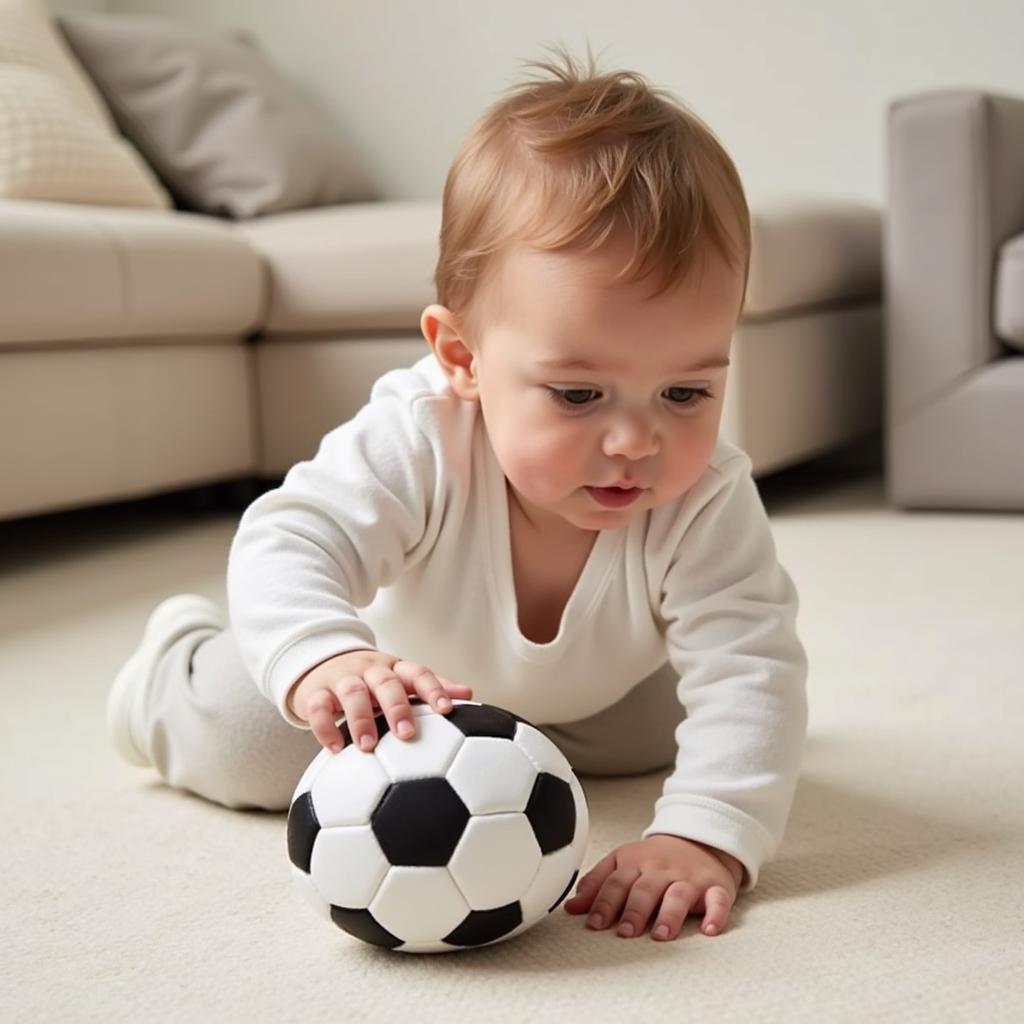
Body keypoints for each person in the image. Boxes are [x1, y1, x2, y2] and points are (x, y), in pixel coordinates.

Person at [107, 47, 808, 945]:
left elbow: (752, 665)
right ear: (464, 359)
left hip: (601, 691)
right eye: (579, 395)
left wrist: (704, 835)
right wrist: (327, 660)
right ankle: (171, 670)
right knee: (249, 737)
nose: (638, 441)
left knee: (704, 727)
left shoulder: (705, 498)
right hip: (406, 687)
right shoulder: (423, 437)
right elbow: (293, 536)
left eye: (686, 392)